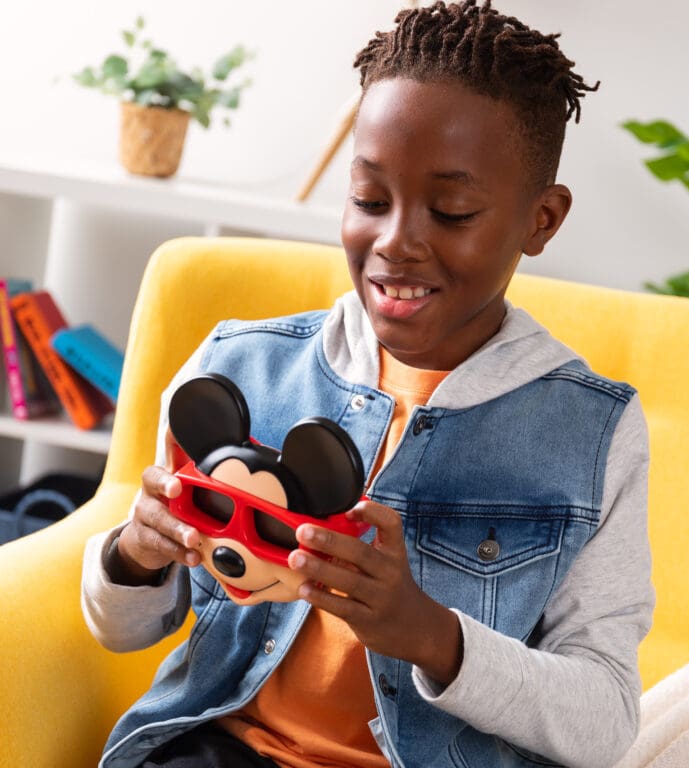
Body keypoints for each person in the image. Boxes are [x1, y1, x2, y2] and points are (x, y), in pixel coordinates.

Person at [82, 2, 654, 767]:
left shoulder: (588, 434)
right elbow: (124, 629)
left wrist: (430, 635)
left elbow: (605, 722)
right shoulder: (237, 368)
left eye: (451, 211)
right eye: (369, 200)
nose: (395, 242)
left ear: (541, 220)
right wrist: (135, 552)